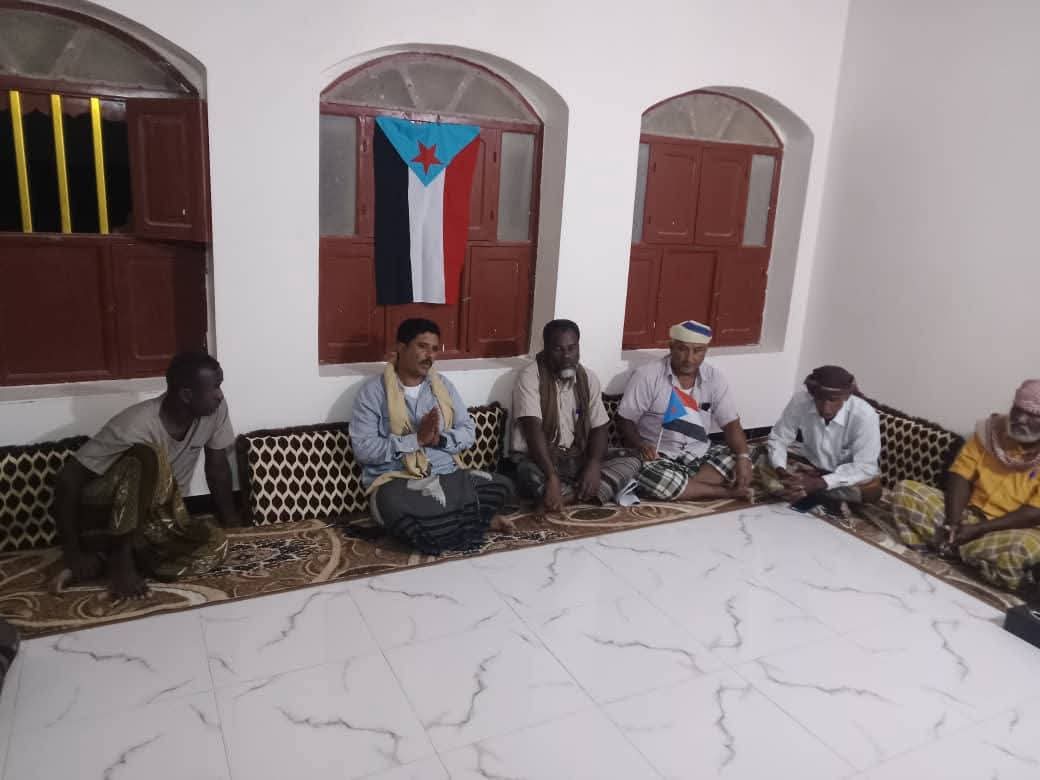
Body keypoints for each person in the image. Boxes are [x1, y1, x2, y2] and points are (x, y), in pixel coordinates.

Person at [54, 352, 234, 599]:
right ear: (186, 395)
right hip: (105, 517)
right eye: (214, 387)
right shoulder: (135, 424)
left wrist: (233, 521)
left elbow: (217, 468)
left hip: (155, 517)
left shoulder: (215, 410)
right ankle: (120, 558)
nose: (220, 395)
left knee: (217, 544)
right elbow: (68, 479)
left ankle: (112, 559)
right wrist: (72, 552)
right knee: (148, 456)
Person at [350, 318, 514, 553]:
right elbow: (364, 450)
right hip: (399, 481)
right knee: (391, 504)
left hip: (447, 476)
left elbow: (468, 431)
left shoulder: (442, 386)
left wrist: (440, 440)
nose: (430, 356)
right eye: (422, 346)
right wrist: (416, 440)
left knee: (503, 485)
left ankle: (446, 524)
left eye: (435, 349)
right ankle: (474, 521)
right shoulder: (373, 392)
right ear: (401, 347)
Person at [891, 380, 1040, 594]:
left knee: (1024, 547)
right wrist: (953, 522)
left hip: (1006, 530)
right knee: (906, 491)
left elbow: (1034, 512)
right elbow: (960, 474)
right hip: (965, 516)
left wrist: (979, 530)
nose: (1021, 419)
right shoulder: (991, 432)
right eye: (1018, 409)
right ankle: (961, 548)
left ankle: (948, 546)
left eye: (1033, 415)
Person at [510, 319, 640, 512]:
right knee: (527, 474)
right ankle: (584, 492)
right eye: (558, 349)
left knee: (632, 459)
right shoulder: (530, 377)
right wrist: (552, 476)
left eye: (572, 348)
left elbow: (599, 427)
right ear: (546, 349)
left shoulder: (588, 378)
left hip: (575, 457)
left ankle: (566, 497)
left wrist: (594, 465)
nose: (567, 356)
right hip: (539, 460)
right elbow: (533, 431)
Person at [616, 319, 753, 501]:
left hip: (700, 454)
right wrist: (640, 445)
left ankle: (685, 487)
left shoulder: (714, 378)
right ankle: (723, 492)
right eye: (682, 349)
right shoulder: (647, 375)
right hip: (659, 456)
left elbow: (731, 423)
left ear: (706, 351)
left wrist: (743, 457)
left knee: (746, 455)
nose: (689, 358)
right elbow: (625, 419)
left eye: (698, 351)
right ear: (671, 347)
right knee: (644, 471)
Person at [763, 365, 882, 513]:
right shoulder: (800, 401)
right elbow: (778, 439)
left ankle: (810, 492)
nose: (826, 408)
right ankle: (810, 492)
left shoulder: (865, 416)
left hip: (843, 476)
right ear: (812, 394)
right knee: (764, 455)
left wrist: (820, 483)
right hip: (810, 466)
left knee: (871, 490)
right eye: (819, 399)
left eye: (833, 400)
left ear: (846, 397)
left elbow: (865, 467)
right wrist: (782, 472)